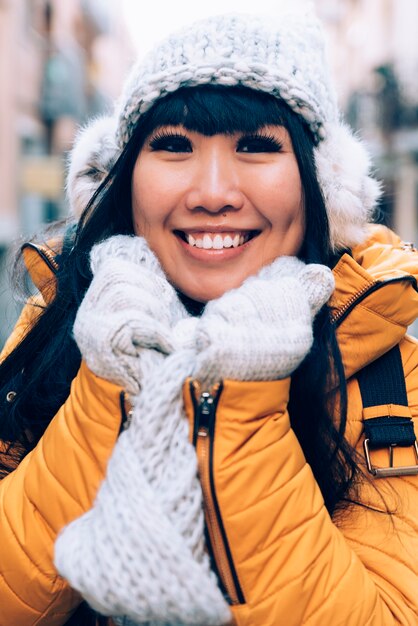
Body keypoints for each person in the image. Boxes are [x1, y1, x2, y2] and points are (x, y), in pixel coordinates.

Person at [1, 6, 418, 626]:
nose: (214, 192)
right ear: (124, 179)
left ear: (320, 185)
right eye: (173, 146)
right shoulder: (61, 324)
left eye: (256, 146)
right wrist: (112, 384)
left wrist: (243, 391)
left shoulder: (396, 368)